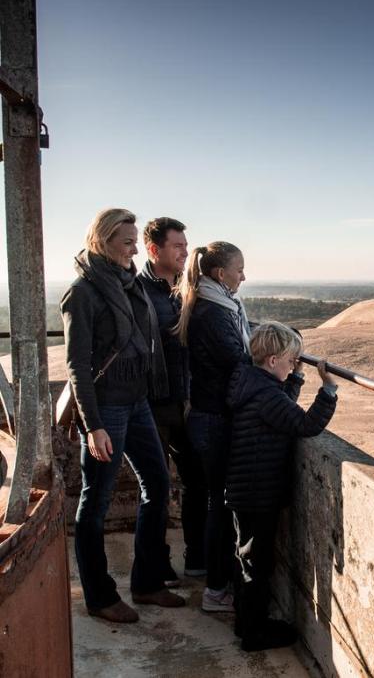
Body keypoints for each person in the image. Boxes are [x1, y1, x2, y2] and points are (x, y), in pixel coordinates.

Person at [61, 208, 185, 624]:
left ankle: (147, 583)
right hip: (107, 408)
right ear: (103, 240)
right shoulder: (83, 293)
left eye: (136, 240)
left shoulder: (130, 284)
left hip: (137, 402)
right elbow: (77, 365)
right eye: (128, 241)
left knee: (159, 481)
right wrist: (93, 425)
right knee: (95, 502)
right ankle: (99, 596)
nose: (136, 249)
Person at [225, 321, 337, 651]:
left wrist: (297, 376)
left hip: (245, 489)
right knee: (257, 565)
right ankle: (254, 634)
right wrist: (328, 389)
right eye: (291, 361)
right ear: (273, 361)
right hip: (258, 492)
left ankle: (245, 623)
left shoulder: (252, 383)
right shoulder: (266, 395)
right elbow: (305, 424)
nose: (293, 365)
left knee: (246, 557)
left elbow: (280, 406)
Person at [175, 241, 251, 612]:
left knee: (216, 502)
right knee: (222, 506)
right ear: (221, 274)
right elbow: (239, 362)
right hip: (215, 422)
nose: (244, 276)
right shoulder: (215, 313)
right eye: (239, 269)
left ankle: (212, 580)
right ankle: (216, 591)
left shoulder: (212, 305)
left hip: (207, 418)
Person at [139, 217, 207, 583]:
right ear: (155, 250)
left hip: (188, 402)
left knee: (198, 481)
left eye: (185, 244)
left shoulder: (187, 288)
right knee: (156, 487)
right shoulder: (137, 290)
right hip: (153, 405)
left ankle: (196, 557)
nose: (185, 251)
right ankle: (157, 565)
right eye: (177, 246)